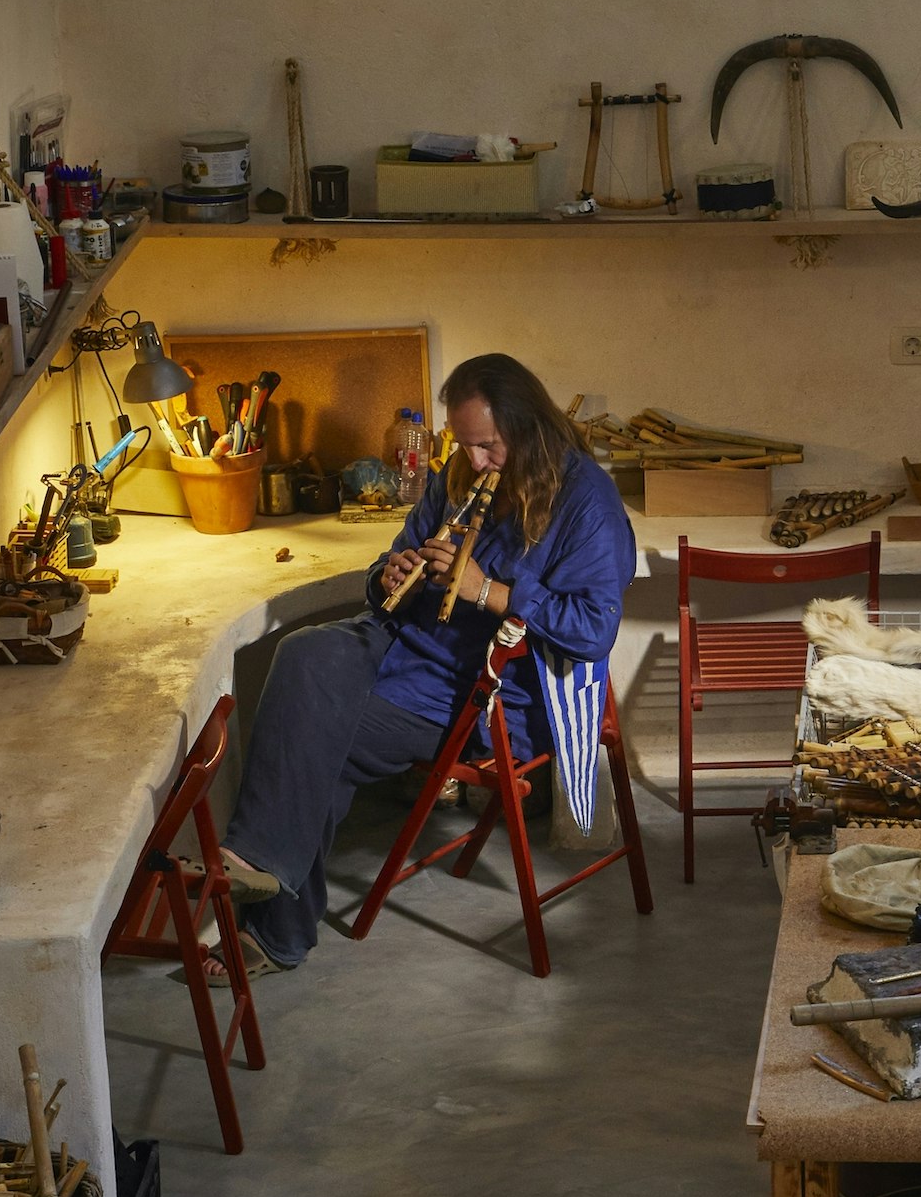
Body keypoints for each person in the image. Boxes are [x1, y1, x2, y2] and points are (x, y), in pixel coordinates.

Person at [210, 354, 634, 974]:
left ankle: (273, 919)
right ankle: (262, 870)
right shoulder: (458, 474)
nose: (476, 461)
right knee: (303, 652)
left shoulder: (585, 500)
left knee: (316, 735)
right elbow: (393, 561)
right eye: (465, 444)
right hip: (405, 646)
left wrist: (488, 591)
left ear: (528, 425)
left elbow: (594, 629)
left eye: (488, 446)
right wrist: (391, 574)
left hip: (487, 692)